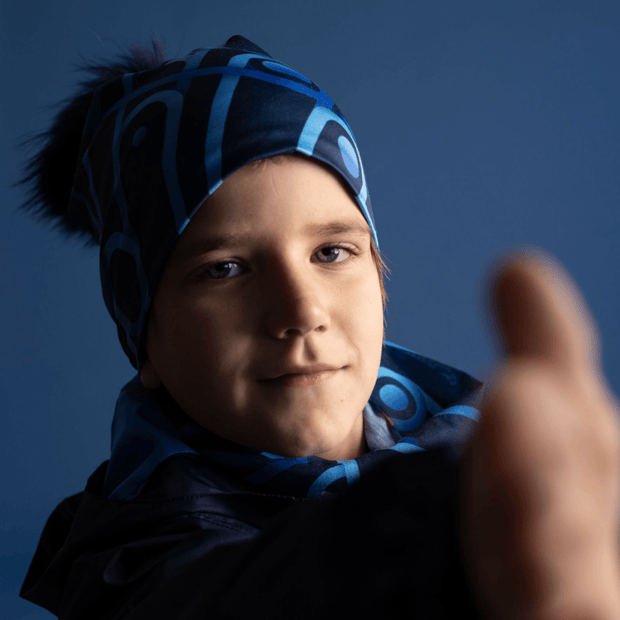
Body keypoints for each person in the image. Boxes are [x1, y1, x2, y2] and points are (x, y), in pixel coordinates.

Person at [13, 34, 620, 619]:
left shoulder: (481, 432)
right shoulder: (133, 555)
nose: (301, 313)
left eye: (332, 252)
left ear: (379, 279)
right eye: (225, 269)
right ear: (144, 333)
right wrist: (462, 530)